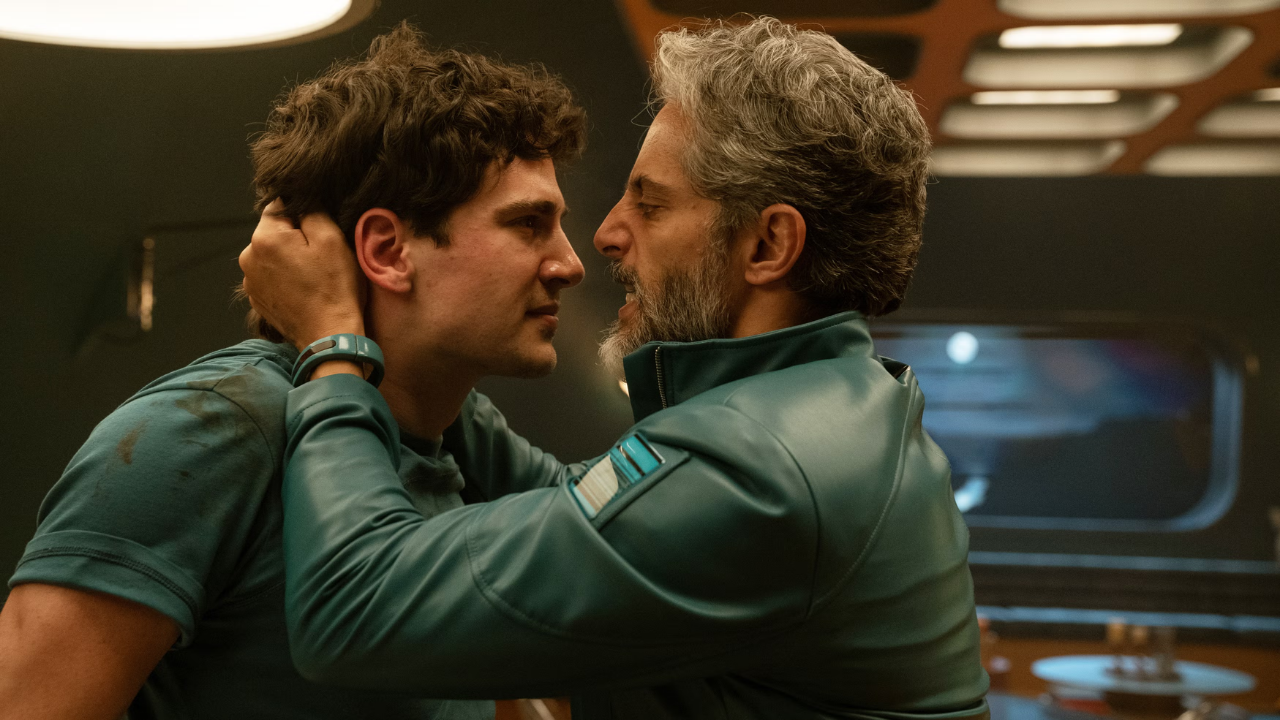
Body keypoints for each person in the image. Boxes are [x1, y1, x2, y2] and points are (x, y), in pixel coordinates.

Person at [238, 16, 990, 720]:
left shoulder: (762, 473)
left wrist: (335, 344)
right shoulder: (827, 411)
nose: (604, 236)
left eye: (651, 206)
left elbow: (355, 610)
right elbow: (574, 513)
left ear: (767, 246)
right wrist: (428, 358)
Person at [0, 24, 586, 720]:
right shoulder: (212, 429)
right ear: (387, 250)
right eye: (528, 224)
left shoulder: (458, 437)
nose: (570, 263)